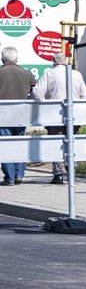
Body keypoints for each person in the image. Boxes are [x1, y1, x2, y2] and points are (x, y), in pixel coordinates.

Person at [32, 52, 86, 184]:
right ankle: (71, 170)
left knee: (56, 144)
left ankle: (58, 174)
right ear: (66, 61)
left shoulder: (49, 73)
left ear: (54, 61)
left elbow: (37, 92)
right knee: (71, 142)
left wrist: (43, 104)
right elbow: (84, 94)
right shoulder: (76, 74)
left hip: (54, 114)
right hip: (74, 114)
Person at [0, 46, 35, 185]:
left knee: (5, 145)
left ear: (2, 59)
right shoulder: (26, 73)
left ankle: (9, 177)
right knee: (20, 143)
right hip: (21, 115)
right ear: (17, 59)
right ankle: (19, 174)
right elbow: (34, 92)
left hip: (3, 116)